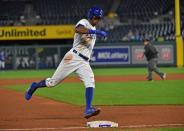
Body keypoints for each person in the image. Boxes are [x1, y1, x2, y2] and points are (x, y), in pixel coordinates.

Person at [25, 7, 107, 119]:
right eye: (95, 17)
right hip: (72, 57)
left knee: (90, 81)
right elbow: (78, 29)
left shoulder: (93, 27)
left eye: (98, 18)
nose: (97, 20)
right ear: (91, 16)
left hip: (84, 62)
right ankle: (34, 86)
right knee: (52, 83)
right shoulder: (84, 22)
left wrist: (95, 31)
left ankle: (88, 109)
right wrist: (95, 31)